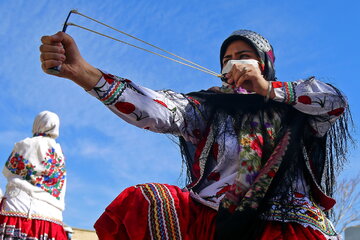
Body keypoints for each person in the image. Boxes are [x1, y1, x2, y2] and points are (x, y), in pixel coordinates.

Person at [39, 29, 350, 240]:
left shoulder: (299, 109)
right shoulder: (209, 106)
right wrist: (84, 73)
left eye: (244, 55)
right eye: (227, 59)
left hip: (285, 224)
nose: (233, 63)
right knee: (144, 200)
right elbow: (155, 108)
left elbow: (335, 102)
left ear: (264, 63)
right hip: (213, 218)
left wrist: (268, 89)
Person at [0, 111, 67, 239]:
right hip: (51, 217)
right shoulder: (59, 152)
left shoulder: (25, 144)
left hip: (18, 209)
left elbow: (8, 171)